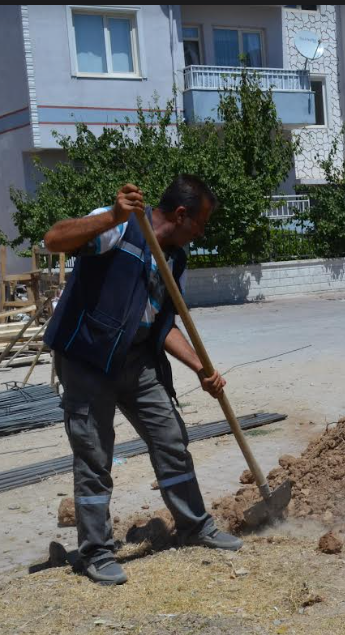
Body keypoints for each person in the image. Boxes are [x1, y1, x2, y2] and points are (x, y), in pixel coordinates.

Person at [42, 175, 242, 585]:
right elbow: (54, 239)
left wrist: (201, 369)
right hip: (88, 357)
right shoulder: (120, 226)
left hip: (137, 359)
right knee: (95, 455)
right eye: (200, 223)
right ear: (181, 214)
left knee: (170, 437)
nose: (201, 232)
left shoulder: (173, 260)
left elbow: (163, 324)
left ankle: (193, 525)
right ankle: (95, 552)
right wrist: (113, 214)